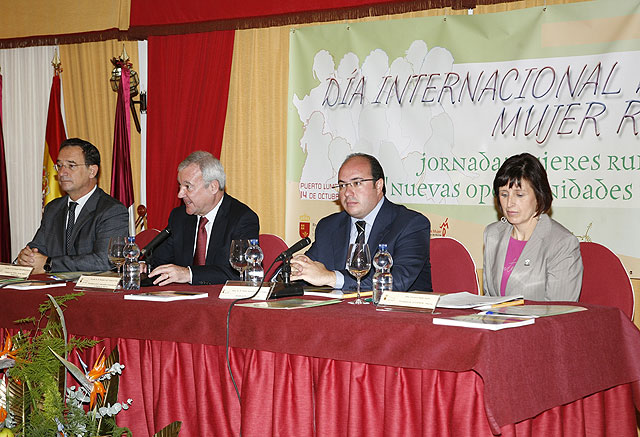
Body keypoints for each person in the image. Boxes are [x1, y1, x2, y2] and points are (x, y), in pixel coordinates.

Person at [290, 153, 431, 291]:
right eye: (342, 185)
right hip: (337, 312)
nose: (347, 193)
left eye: (356, 183)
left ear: (379, 185)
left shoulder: (410, 224)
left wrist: (332, 278)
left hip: (395, 312)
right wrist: (298, 269)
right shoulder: (328, 226)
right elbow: (311, 271)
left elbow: (398, 281)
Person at [17, 138, 128, 273]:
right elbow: (37, 247)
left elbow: (105, 261)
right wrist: (27, 257)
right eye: (59, 165)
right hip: (52, 287)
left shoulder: (112, 210)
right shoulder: (53, 208)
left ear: (92, 171)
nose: (62, 172)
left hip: (89, 290)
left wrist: (49, 264)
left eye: (71, 166)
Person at [149, 151, 259, 286]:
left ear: (213, 187)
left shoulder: (242, 219)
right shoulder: (179, 217)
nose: (179, 194)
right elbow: (160, 261)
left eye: (187, 187)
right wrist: (146, 268)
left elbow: (240, 273)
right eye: (180, 186)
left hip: (221, 303)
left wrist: (188, 274)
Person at [483, 152, 583, 301]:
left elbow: (560, 312)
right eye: (504, 194)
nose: (509, 203)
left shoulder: (562, 243)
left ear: (539, 196)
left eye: (519, 195)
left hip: (541, 324)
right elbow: (489, 299)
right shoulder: (492, 234)